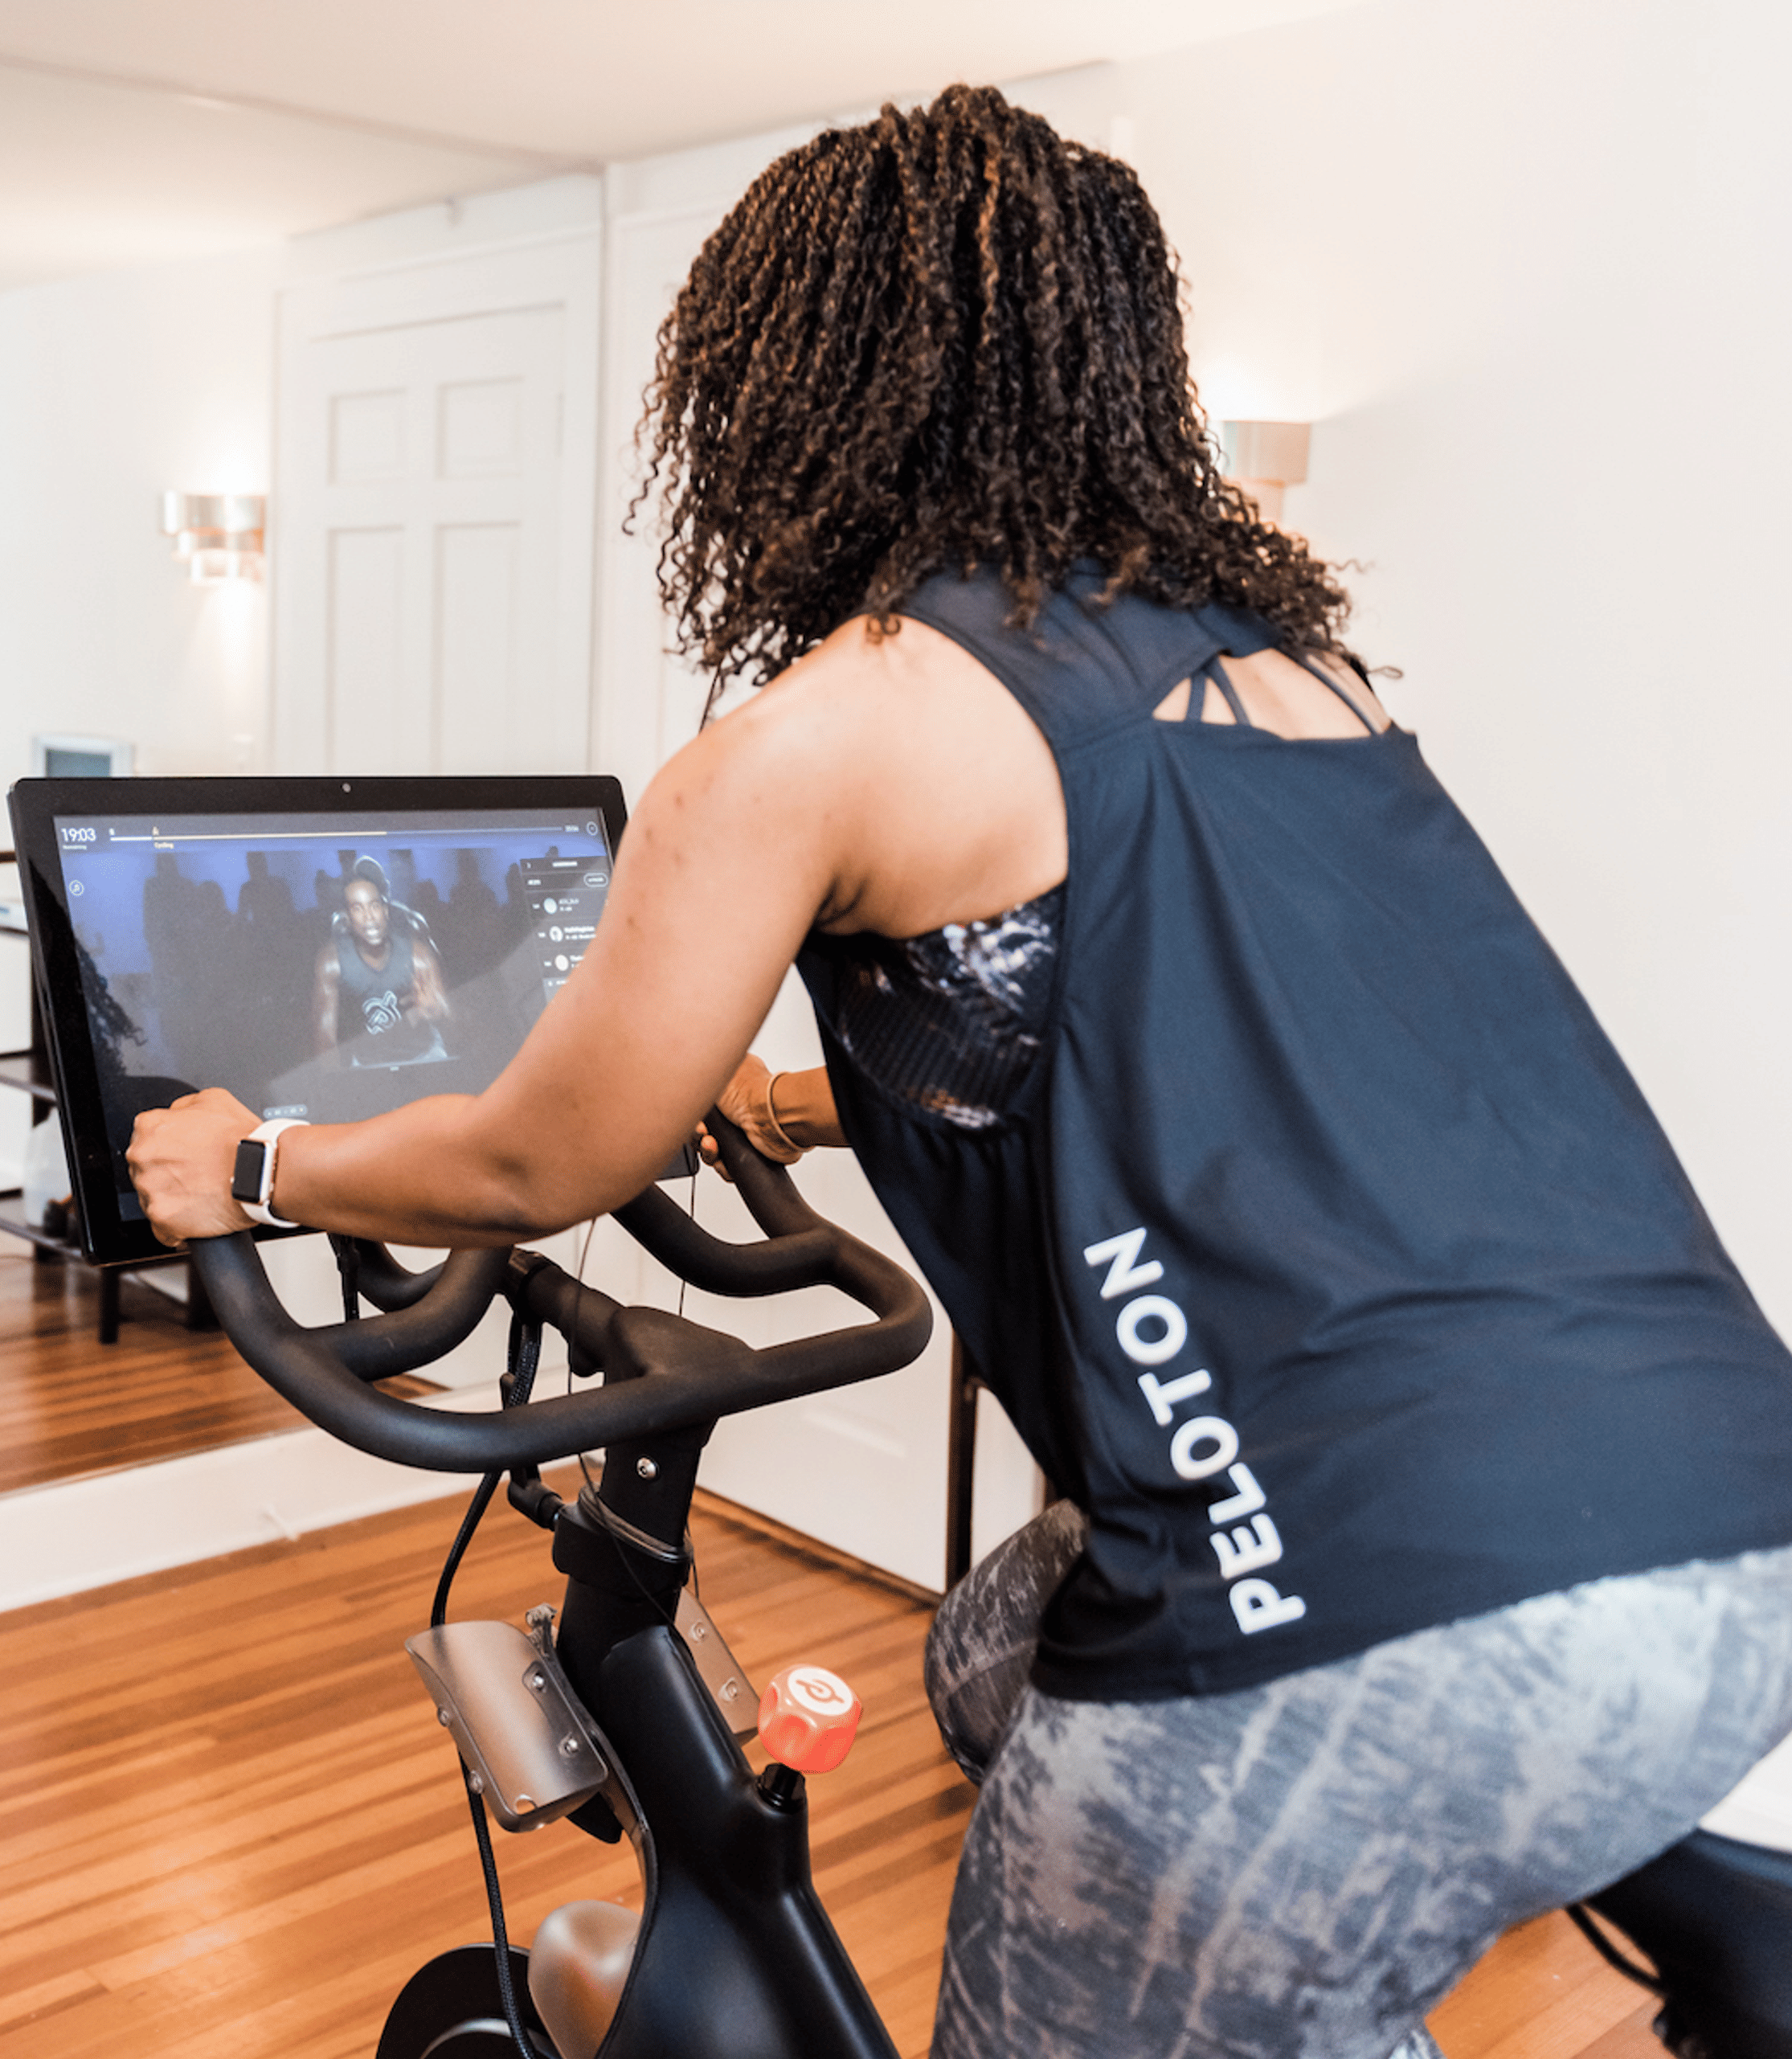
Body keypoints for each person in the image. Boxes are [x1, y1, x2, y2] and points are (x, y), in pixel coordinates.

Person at [124, 86, 1792, 2059]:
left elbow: (523, 1162)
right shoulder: (1282, 671)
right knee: (993, 1653)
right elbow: (1182, 1034)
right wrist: (816, 1099)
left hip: (1349, 1620)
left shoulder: (830, 733)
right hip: (1721, 1534)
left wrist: (253, 1167)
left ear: (793, 395)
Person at [312, 856, 452, 1062]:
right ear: (348, 917)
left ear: (384, 903)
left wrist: (433, 1009)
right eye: (358, 909)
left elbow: (447, 1010)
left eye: (374, 905)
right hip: (367, 1061)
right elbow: (325, 1041)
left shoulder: (414, 935)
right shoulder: (334, 956)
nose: (369, 917)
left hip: (423, 1054)